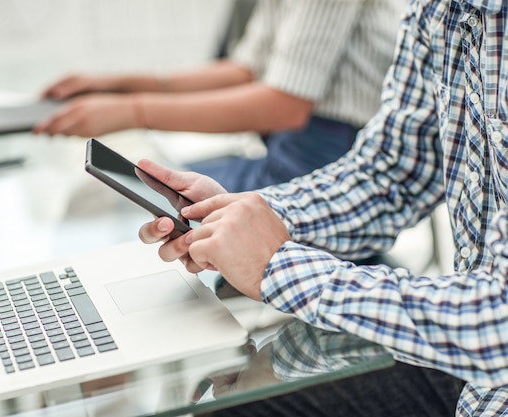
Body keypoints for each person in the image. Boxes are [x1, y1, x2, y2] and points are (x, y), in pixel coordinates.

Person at [137, 0, 508, 415]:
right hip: (471, 372)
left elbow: (499, 318)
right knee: (224, 402)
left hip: (491, 373)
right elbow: (393, 171)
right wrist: (254, 216)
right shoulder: (442, 9)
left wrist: (277, 267)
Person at [33, 0, 405, 193]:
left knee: (151, 200)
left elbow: (284, 105)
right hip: (292, 148)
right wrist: (119, 86)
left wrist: (131, 111)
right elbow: (246, 69)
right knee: (146, 190)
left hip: (328, 160)